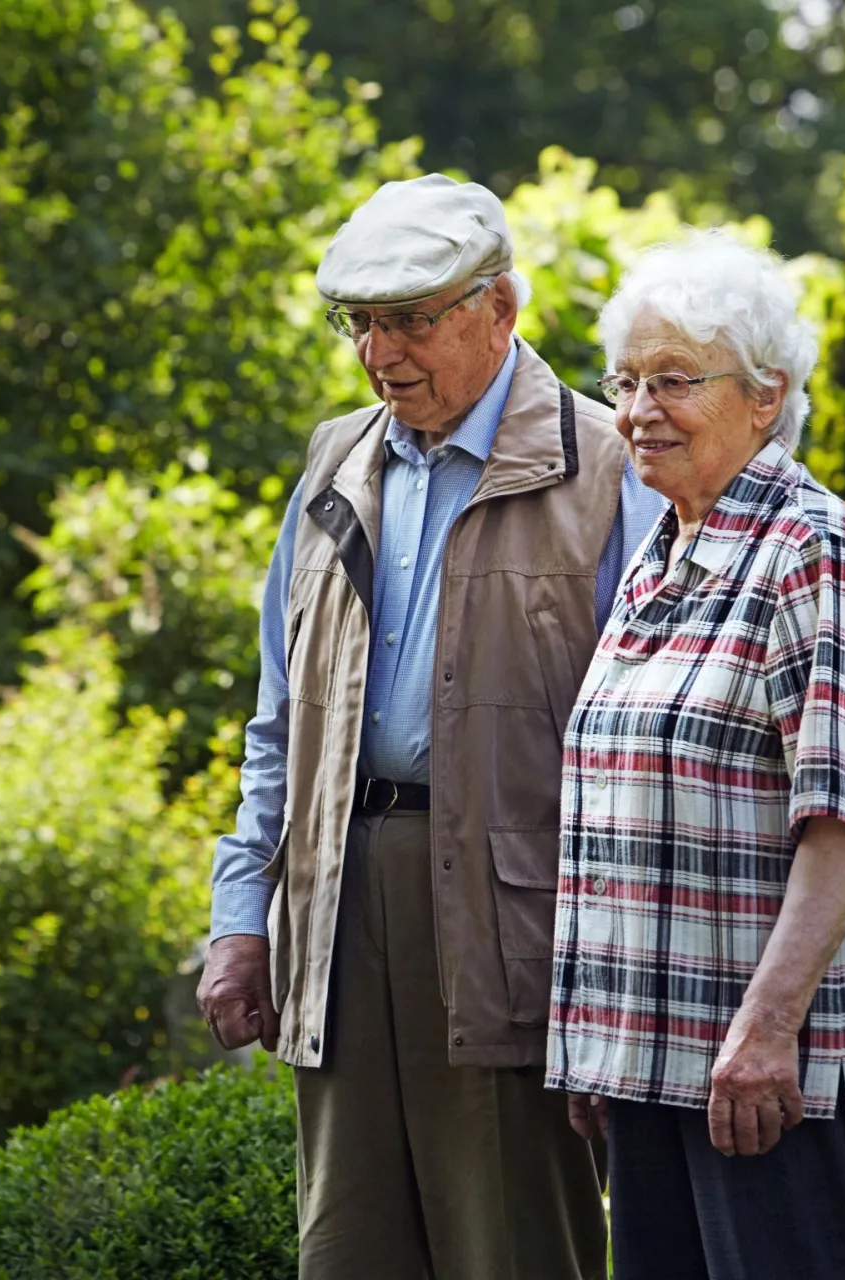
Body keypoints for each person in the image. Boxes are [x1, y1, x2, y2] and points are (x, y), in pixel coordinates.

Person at [196, 173, 660, 1280]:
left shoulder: (607, 470)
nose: (378, 351)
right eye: (360, 322)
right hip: (341, 903)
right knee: (347, 1250)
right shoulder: (333, 464)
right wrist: (239, 914)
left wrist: (612, 993)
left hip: (519, 925)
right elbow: (279, 721)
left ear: (500, 310)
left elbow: (648, 754)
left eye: (409, 320)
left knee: (515, 1252)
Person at [547, 231, 845, 1280]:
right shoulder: (662, 554)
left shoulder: (814, 553)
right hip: (661, 1057)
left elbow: (844, 822)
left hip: (782, 1069)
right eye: (628, 380)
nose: (640, 409)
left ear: (765, 396)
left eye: (676, 380)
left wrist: (768, 1029)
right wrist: (602, 1041)